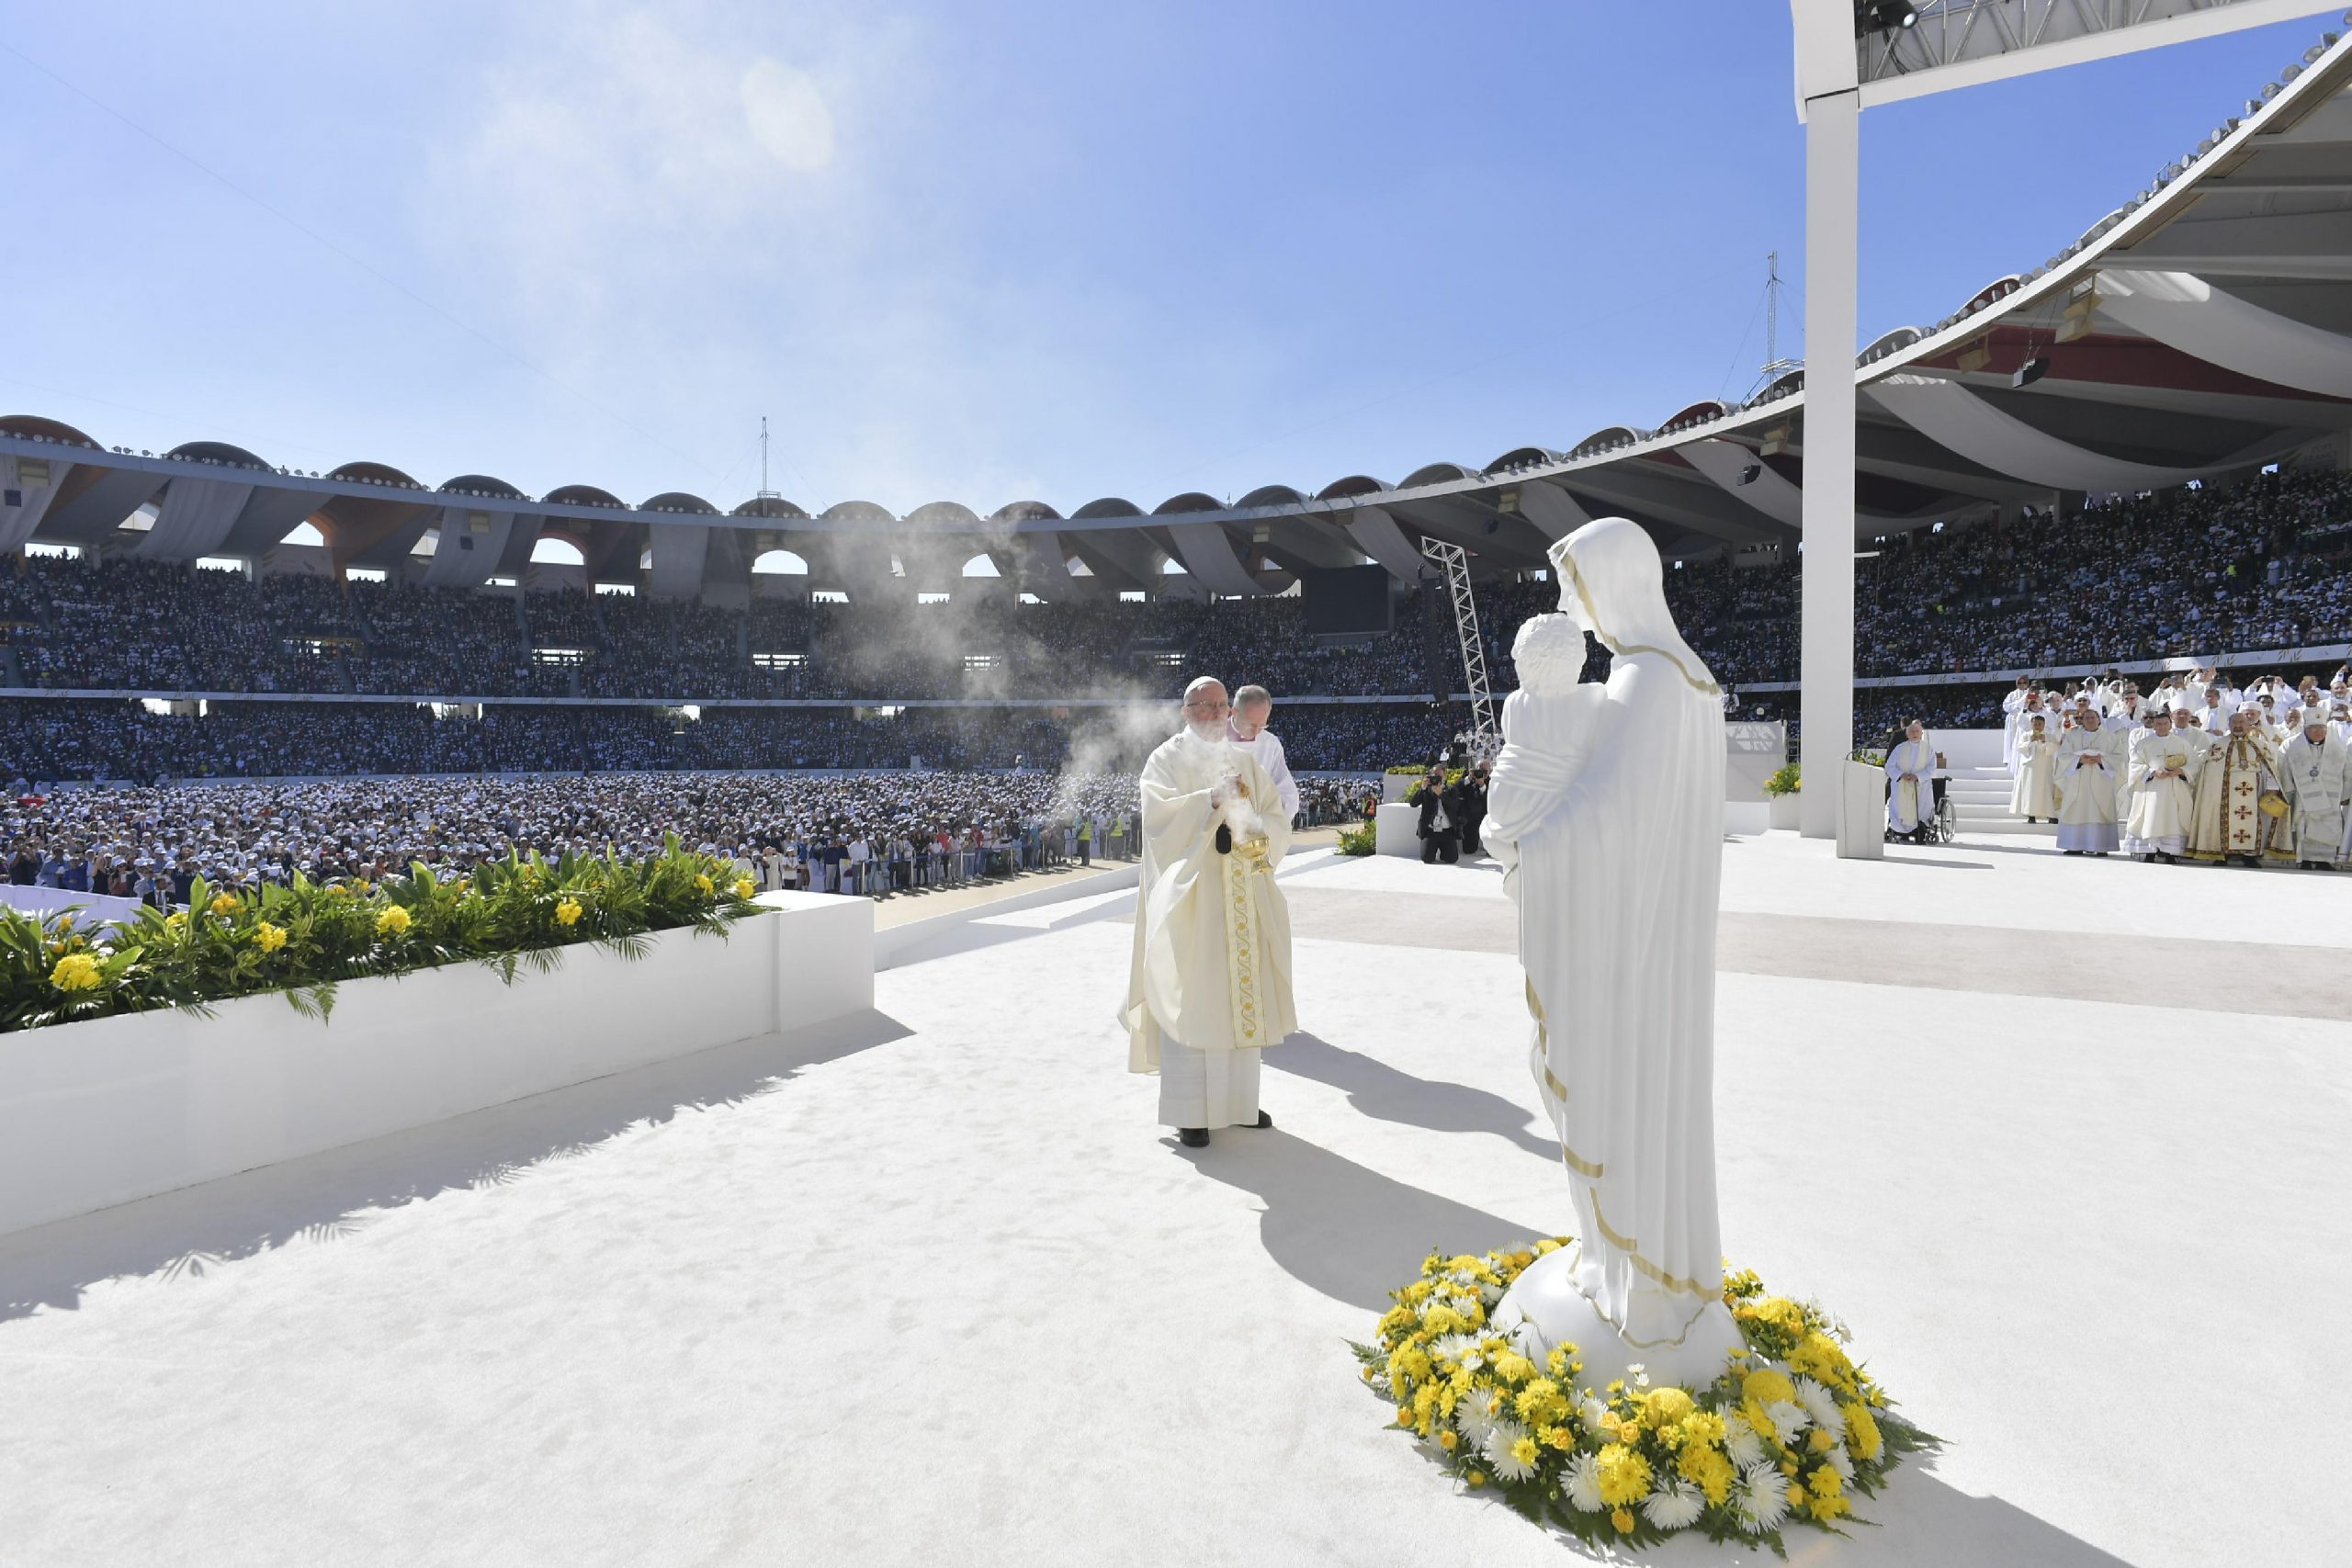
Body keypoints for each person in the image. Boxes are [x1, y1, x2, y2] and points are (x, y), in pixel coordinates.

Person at [1481, 519, 1743, 1384]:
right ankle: (1630, 1257)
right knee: (1635, 1094)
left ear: (1615, 581)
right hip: (1652, 936)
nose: (1571, 608)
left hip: (1621, 946)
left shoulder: (1647, 679)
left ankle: (1626, 1268)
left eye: (1577, 585)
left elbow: (1606, 818)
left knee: (1605, 1089)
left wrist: (1521, 842)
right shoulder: (1686, 677)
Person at [1124, 677, 1297, 1149]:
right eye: (1203, 706)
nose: (1215, 713)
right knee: (1196, 998)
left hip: (1240, 893)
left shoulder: (1245, 761)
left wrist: (1250, 827)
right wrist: (1210, 802)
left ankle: (1238, 1104)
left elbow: (1276, 819)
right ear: (1185, 711)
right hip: (1193, 902)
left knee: (1239, 997)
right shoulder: (1165, 760)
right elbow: (1157, 823)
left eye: (1221, 706)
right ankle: (1191, 1114)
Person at [2123, 710, 2199, 863]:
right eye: (2158, 724)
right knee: (2151, 816)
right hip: (2152, 788)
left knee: (2173, 817)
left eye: (2165, 723)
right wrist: (2152, 772)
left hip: (2174, 786)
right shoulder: (2144, 743)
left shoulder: (2182, 743)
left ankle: (2170, 852)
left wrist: (2180, 771)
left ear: (2170, 724)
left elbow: (2194, 763)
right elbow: (2135, 764)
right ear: (2153, 726)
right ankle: (2149, 851)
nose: (2162, 726)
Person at [2278, 710, 2350, 870]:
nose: (2319, 732)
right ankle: (2304, 859)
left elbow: (2347, 773)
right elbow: (2283, 770)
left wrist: (2343, 795)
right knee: (2305, 827)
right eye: (2314, 728)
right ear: (2305, 729)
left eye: (2322, 728)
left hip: (2330, 800)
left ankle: (2325, 860)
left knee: (2327, 827)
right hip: (2302, 798)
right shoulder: (2290, 745)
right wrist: (2290, 793)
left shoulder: (2337, 747)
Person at [2054, 705, 2125, 856]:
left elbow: (2120, 758)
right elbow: (2062, 755)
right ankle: (2075, 845)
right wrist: (2079, 760)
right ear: (2082, 721)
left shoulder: (2111, 737)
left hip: (2102, 780)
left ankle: (2100, 846)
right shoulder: (2072, 736)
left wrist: (2101, 760)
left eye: (2093, 717)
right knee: (2077, 810)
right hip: (2078, 780)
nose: (2090, 720)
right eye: (2086, 718)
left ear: (2099, 720)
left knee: (2099, 810)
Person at [1226, 684, 1301, 825]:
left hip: (1258, 827)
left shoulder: (1270, 744)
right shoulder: (1213, 737)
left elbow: (1288, 795)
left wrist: (1272, 824)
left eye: (1262, 726)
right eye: (1251, 725)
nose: (1256, 732)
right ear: (1234, 713)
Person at [1883, 720, 1935, 840]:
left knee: (1920, 807)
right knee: (1899, 806)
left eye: (1917, 731)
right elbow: (1890, 766)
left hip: (1921, 786)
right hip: (1902, 785)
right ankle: (1899, 830)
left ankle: (1920, 829)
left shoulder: (1928, 749)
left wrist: (1918, 776)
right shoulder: (1899, 748)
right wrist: (1901, 775)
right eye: (1912, 731)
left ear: (1922, 733)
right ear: (1906, 734)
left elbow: (1931, 767)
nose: (1915, 733)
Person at [2011, 712, 2058, 822]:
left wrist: (2044, 741)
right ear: (2031, 724)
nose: (2037, 726)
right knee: (2030, 791)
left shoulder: (2049, 735)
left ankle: (2050, 815)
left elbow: (2053, 748)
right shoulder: (2026, 735)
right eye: (2035, 724)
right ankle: (2030, 815)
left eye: (2040, 724)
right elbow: (2020, 748)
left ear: (2044, 724)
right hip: (2029, 768)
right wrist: (2030, 741)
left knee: (2046, 790)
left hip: (2044, 767)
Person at [1411, 768, 1460, 864]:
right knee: (1427, 859)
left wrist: (1441, 794)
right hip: (1430, 831)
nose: (1436, 779)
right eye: (1434, 776)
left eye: (1439, 776)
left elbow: (1455, 806)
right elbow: (1413, 804)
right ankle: (1432, 850)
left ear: (1444, 777)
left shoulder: (1451, 790)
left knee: (1452, 859)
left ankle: (1444, 852)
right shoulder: (1426, 790)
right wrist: (1423, 788)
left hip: (1447, 831)